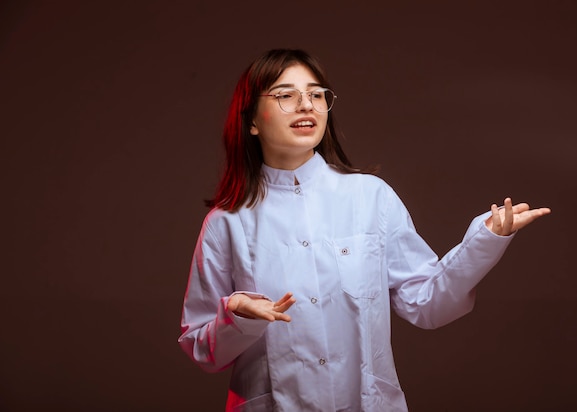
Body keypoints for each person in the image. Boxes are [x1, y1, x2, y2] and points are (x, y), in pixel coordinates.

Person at [178, 48, 551, 411]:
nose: (306, 105)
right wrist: (237, 318)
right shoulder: (227, 221)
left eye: (316, 94)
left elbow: (429, 304)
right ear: (252, 121)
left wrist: (484, 243)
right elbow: (201, 348)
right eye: (286, 95)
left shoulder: (370, 197)